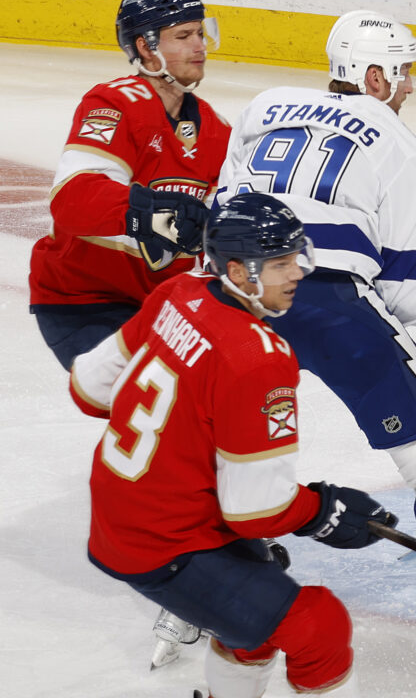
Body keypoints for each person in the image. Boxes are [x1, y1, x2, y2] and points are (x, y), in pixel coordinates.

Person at [211, 10, 416, 682]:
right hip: (332, 303)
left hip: (232, 291)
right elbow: (407, 291)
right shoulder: (397, 142)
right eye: (401, 72)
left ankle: (198, 601)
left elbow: (224, 212)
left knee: (221, 442)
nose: (408, 87)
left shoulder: (265, 104)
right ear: (371, 74)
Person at [69, 193, 397, 697]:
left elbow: (88, 389)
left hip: (123, 511)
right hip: (166, 540)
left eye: (297, 257)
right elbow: (257, 511)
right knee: (318, 624)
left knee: (253, 632)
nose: (297, 274)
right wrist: (324, 511)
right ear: (241, 272)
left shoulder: (179, 291)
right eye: (282, 263)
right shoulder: (258, 359)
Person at [27, 0, 229, 665]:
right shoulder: (113, 104)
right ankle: (188, 579)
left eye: (202, 32)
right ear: (146, 48)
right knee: (167, 422)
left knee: (213, 418)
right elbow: (76, 203)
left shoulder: (219, 132)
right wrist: (162, 215)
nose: (199, 45)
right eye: (183, 35)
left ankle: (202, 566)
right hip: (80, 303)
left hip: (156, 310)